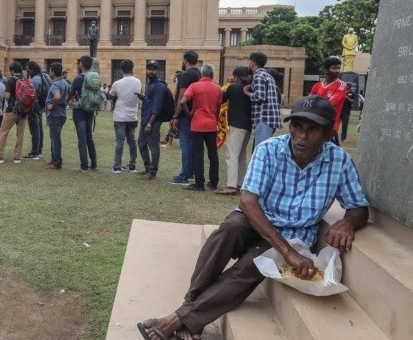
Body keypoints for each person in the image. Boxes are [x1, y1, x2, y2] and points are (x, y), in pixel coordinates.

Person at [137, 95, 370, 340]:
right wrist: (289, 254)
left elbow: (359, 207)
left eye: (312, 130)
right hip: (255, 218)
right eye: (297, 127)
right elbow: (248, 201)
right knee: (227, 231)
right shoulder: (269, 149)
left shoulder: (339, 161)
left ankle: (179, 319)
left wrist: (347, 222)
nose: (301, 136)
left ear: (327, 133)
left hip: (294, 235)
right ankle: (189, 309)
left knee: (251, 265)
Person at [178, 64, 222, 191]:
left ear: (202, 74)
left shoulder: (194, 86)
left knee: (198, 154)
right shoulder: (217, 88)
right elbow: (219, 105)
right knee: (213, 154)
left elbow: (182, 101)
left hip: (197, 124)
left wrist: (189, 114)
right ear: (212, 75)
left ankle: (199, 183)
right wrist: (215, 116)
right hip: (211, 125)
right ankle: (213, 182)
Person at [217, 67, 253, 196]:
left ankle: (231, 185)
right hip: (248, 126)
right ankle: (240, 183)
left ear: (236, 77)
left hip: (236, 125)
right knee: (241, 156)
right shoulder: (251, 88)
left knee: (231, 155)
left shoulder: (233, 87)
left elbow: (222, 99)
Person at [169, 51, 201, 185]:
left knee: (186, 144)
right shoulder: (199, 74)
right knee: (192, 145)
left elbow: (182, 97)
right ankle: (192, 172)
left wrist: (176, 115)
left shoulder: (186, 75)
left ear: (185, 60)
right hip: (195, 113)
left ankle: (185, 175)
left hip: (185, 114)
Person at [0, 62, 29, 164]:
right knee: (20, 134)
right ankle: (17, 157)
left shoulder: (11, 80)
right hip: (24, 111)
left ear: (12, 71)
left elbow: (7, 96)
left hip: (12, 110)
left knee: (3, 132)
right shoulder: (25, 79)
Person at [67, 55, 99, 172]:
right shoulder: (94, 76)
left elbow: (71, 92)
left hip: (80, 110)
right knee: (89, 137)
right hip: (90, 109)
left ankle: (84, 166)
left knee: (82, 138)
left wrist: (67, 101)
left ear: (81, 64)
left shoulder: (79, 78)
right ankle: (94, 163)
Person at [243, 52, 282, 149]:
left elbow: (260, 97)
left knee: (260, 152)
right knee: (264, 150)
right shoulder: (267, 76)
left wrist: (246, 92)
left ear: (253, 63)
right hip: (270, 120)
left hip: (264, 120)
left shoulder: (258, 76)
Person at [109, 59, 142, 174]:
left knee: (120, 140)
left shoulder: (117, 83)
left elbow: (111, 96)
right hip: (132, 115)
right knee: (132, 140)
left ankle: (117, 166)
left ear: (121, 70)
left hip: (120, 116)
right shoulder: (138, 81)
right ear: (132, 69)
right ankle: (132, 165)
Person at [137, 61, 167, 180]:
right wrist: (143, 98)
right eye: (149, 69)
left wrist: (150, 123)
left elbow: (157, 107)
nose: (151, 71)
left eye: (153, 69)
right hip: (145, 119)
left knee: (153, 147)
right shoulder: (149, 84)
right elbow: (150, 100)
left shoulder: (159, 86)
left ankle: (153, 172)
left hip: (152, 121)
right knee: (141, 144)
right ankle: (148, 167)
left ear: (157, 71)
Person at [310, 56, 347, 146]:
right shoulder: (317, 85)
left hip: (330, 127)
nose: (337, 71)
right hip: (314, 124)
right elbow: (308, 103)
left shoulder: (341, 85)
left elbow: (329, 104)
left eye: (338, 68)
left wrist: (316, 103)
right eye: (334, 68)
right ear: (326, 70)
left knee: (330, 155)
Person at [44, 62, 70, 170]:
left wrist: (52, 106)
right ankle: (54, 158)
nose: (49, 72)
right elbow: (72, 93)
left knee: (55, 138)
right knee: (54, 137)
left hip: (55, 114)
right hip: (61, 113)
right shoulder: (64, 82)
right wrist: (66, 102)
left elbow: (57, 96)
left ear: (53, 72)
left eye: (50, 70)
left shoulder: (55, 84)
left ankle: (57, 162)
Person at [25, 61, 50, 161]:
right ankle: (39, 150)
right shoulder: (43, 76)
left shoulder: (35, 79)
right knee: (39, 127)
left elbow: (31, 94)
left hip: (34, 106)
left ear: (32, 69)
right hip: (40, 105)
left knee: (34, 129)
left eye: (28, 69)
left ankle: (35, 151)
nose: (27, 71)